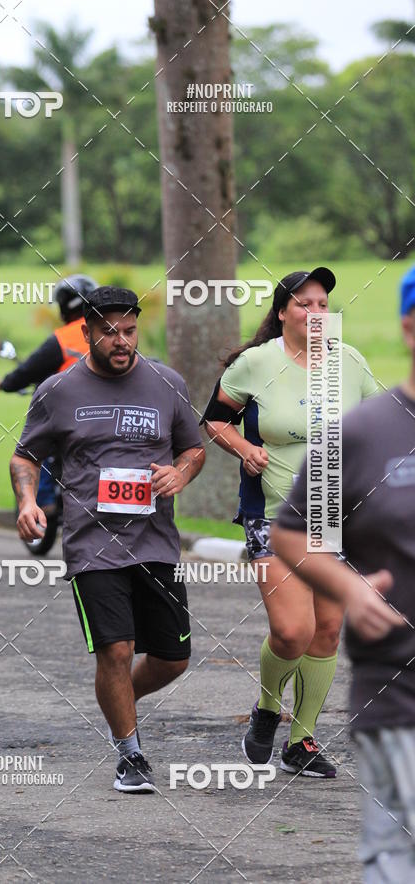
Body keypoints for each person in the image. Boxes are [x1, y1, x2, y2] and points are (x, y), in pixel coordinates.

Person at [10, 286, 205, 793]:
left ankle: (118, 700)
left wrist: (181, 475)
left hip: (156, 541)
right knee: (115, 652)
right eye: (109, 331)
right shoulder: (58, 390)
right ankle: (131, 754)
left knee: (172, 658)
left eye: (129, 330)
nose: (121, 341)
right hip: (91, 544)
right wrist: (28, 501)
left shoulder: (166, 382)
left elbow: (193, 450)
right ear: (87, 332)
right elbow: (25, 456)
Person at [201, 267, 377, 777]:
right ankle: (266, 707)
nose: (316, 312)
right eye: (304, 303)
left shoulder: (349, 362)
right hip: (274, 514)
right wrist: (243, 447)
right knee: (292, 631)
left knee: (326, 632)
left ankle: (301, 742)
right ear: (282, 312)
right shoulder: (256, 363)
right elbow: (214, 418)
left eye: (323, 304)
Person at [271, 268, 415, 880]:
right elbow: (294, 531)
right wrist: (349, 586)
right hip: (402, 693)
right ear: (409, 326)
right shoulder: (362, 436)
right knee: (399, 854)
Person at [0, 274, 97, 510]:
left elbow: (28, 370)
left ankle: (44, 503)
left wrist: (7, 382)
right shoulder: (110, 331)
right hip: (111, 410)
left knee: (38, 446)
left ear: (64, 306)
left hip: (72, 414)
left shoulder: (62, 339)